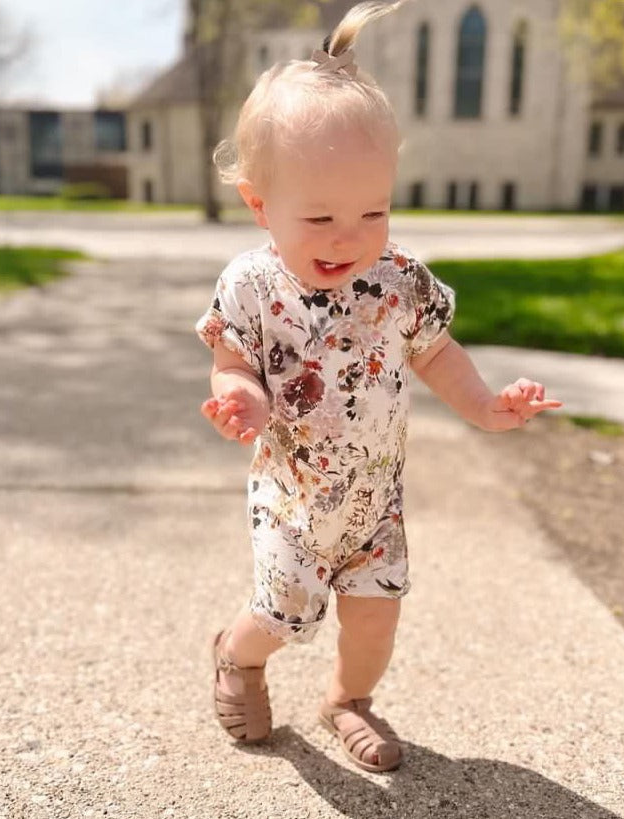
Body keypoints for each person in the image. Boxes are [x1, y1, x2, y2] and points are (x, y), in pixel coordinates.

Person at [195, 0, 562, 773]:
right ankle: (236, 653)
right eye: (322, 214)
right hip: (293, 496)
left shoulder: (398, 281)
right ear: (259, 204)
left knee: (374, 620)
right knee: (285, 611)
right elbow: (235, 363)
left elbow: (436, 355)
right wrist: (243, 401)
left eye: (374, 210)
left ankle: (346, 700)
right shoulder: (252, 287)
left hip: (373, 501)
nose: (350, 235)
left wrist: (487, 406)